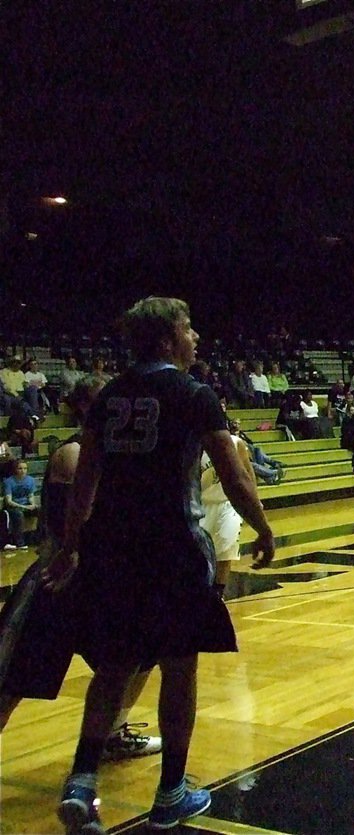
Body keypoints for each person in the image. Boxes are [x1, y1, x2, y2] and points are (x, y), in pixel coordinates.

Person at [43, 297, 274, 834]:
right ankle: (171, 790)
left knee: (115, 664)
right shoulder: (194, 394)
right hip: (172, 547)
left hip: (113, 549)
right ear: (168, 339)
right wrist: (262, 526)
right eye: (188, 328)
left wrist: (73, 542)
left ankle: (81, 780)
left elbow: (85, 483)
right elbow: (235, 476)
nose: (196, 336)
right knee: (179, 666)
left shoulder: (110, 396)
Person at [0, 376, 163, 760]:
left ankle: (113, 733)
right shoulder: (74, 453)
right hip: (60, 578)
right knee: (15, 678)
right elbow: (73, 521)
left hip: (100, 580)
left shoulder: (112, 452)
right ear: (88, 407)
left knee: (141, 653)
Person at [199, 424, 256, 598]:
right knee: (202, 553)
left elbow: (248, 474)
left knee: (226, 546)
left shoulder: (236, 444)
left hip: (227, 504)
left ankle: (219, 593)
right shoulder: (193, 447)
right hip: (201, 506)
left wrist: (254, 502)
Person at [2, 459, 38, 551]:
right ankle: (20, 542)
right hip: (13, 506)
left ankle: (41, 538)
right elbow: (9, 501)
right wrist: (23, 507)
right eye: (20, 468)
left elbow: (30, 495)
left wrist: (32, 504)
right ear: (15, 470)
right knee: (19, 515)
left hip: (25, 504)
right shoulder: (8, 482)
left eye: (25, 468)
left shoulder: (30, 480)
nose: (23, 471)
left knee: (42, 511)